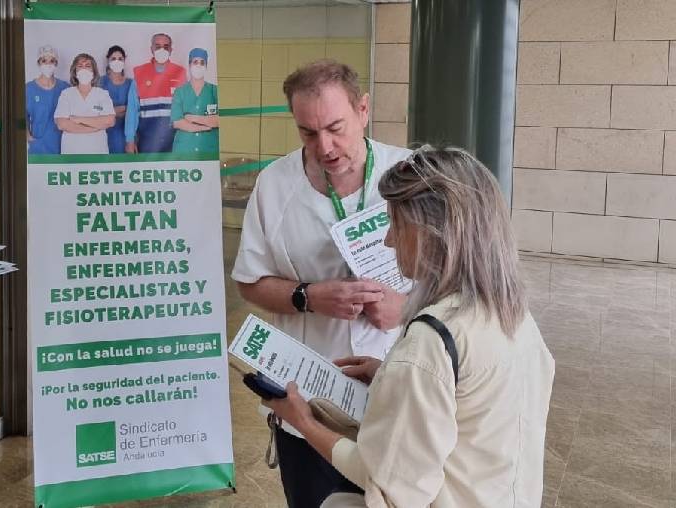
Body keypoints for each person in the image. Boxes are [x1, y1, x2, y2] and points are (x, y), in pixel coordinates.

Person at [265, 147, 555, 507]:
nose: (388, 240)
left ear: (428, 233)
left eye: (395, 225)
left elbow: (390, 487)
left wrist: (304, 422)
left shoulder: (431, 342)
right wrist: (393, 378)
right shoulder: (516, 319)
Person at [231, 59, 411, 508]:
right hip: (310, 398)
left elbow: (459, 285)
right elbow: (250, 283)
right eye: (308, 133)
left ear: (363, 109)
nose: (325, 146)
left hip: (399, 394)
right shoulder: (275, 184)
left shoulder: (410, 175)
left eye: (335, 127)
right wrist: (306, 296)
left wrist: (406, 308)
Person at [133, 33, 187, 153]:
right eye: (157, 46)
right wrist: (130, 139)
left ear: (171, 50)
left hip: (175, 138)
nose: (162, 50)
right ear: (151, 49)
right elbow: (133, 110)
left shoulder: (181, 72)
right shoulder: (139, 72)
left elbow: (186, 108)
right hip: (147, 139)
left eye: (166, 47)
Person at [54, 53, 115, 154]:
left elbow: (110, 121)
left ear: (94, 72)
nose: (84, 69)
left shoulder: (102, 94)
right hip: (72, 152)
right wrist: (96, 127)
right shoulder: (66, 94)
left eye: (88, 66)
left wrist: (79, 119)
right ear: (75, 71)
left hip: (98, 151)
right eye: (80, 66)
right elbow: (62, 124)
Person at [171, 47, 219, 155]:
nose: (198, 65)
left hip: (208, 147)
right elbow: (177, 122)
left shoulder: (214, 90)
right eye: (195, 62)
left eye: (202, 63)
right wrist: (206, 125)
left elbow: (219, 120)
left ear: (206, 66)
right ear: (189, 64)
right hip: (185, 148)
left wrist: (191, 118)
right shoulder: (180, 92)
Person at [26, 45, 70, 154]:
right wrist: (28, 137)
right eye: (44, 61)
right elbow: (22, 117)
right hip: (38, 144)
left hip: (62, 143)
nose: (48, 64)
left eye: (52, 61)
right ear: (38, 63)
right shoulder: (29, 89)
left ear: (56, 64)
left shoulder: (64, 88)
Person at [99, 45, 139, 154]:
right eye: (113, 59)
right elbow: (94, 108)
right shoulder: (100, 83)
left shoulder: (131, 84)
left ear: (124, 60)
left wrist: (132, 140)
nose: (117, 61)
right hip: (103, 133)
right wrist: (113, 111)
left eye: (120, 59)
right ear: (108, 60)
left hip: (125, 135)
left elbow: (134, 112)